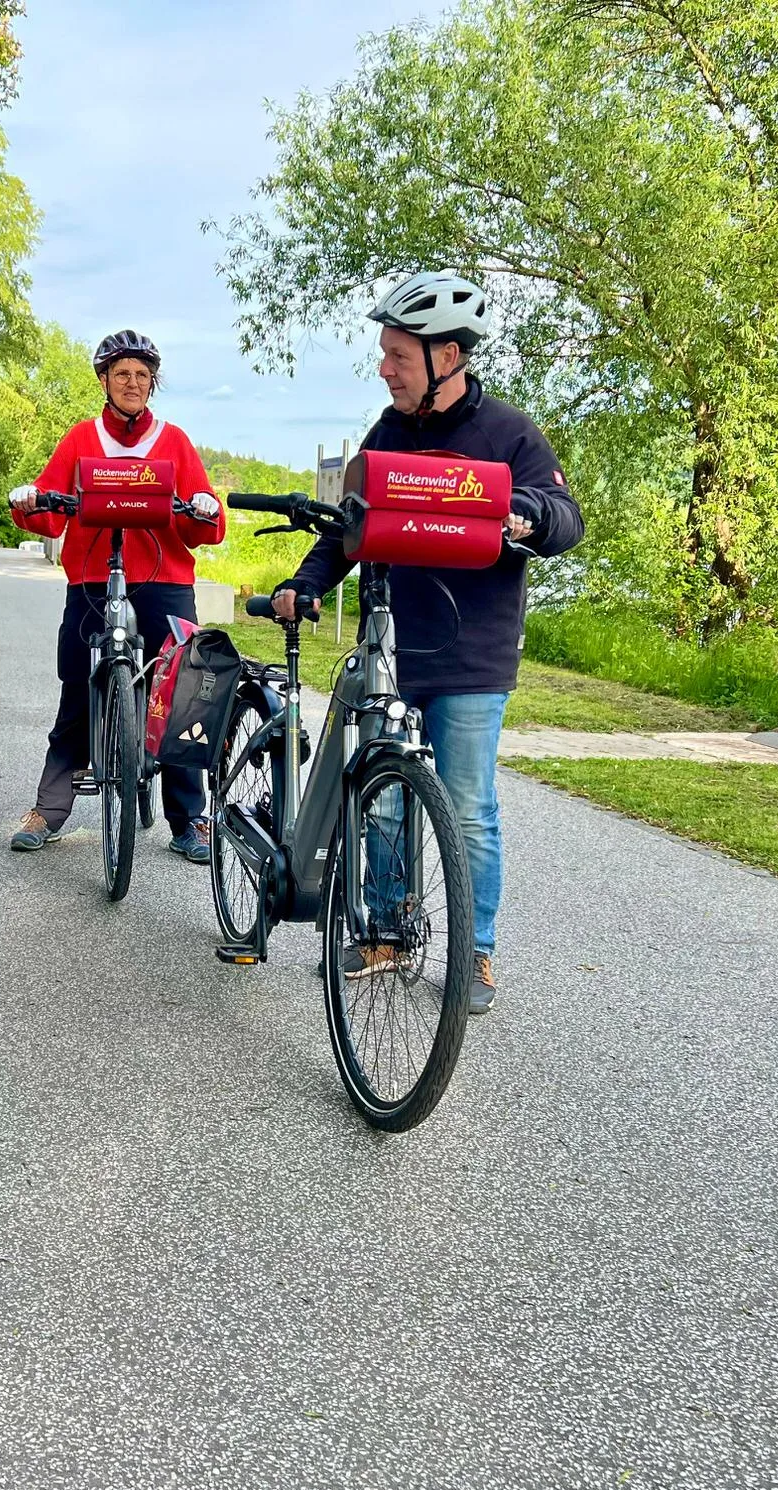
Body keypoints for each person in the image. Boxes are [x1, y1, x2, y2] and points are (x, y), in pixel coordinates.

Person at [271, 271, 584, 1015]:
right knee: (381, 800)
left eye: (397, 356)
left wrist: (524, 512)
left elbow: (566, 520)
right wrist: (307, 582)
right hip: (393, 648)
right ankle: (385, 932)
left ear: (448, 356)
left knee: (469, 805)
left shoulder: (510, 435)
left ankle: (473, 952)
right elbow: (351, 527)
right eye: (384, 354)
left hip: (474, 658)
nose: (384, 368)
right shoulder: (388, 434)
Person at [6, 330, 226, 861]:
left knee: (180, 689)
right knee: (78, 685)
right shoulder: (81, 438)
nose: (133, 383)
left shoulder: (173, 441)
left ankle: (188, 818)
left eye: (143, 376)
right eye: (123, 374)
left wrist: (201, 506)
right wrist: (29, 501)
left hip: (165, 577)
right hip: (91, 574)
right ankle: (50, 808)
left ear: (152, 385)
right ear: (105, 381)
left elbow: (209, 521)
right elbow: (49, 506)